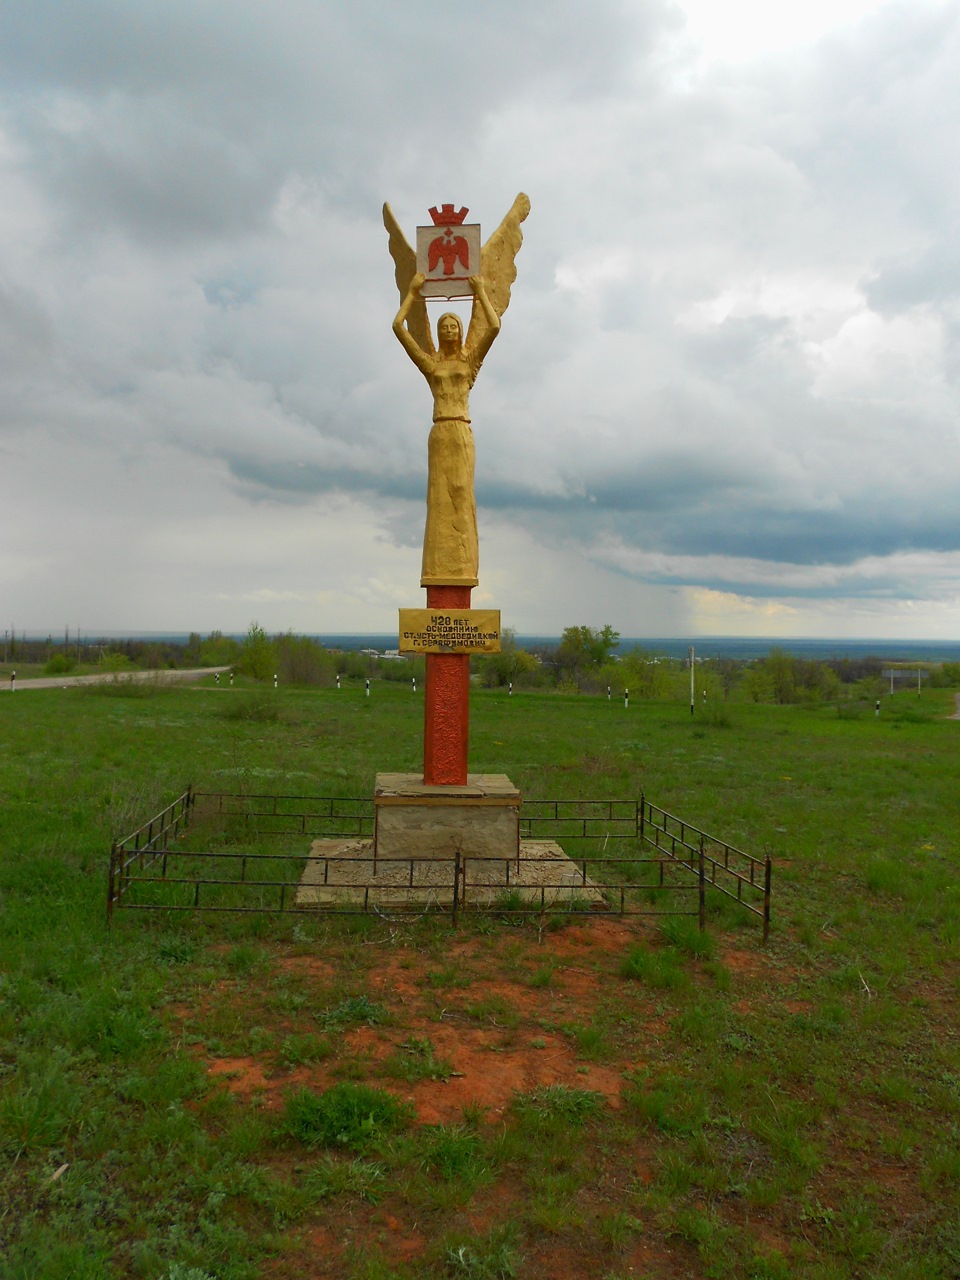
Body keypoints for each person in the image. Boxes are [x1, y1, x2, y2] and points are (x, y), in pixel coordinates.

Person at [392, 273, 499, 587]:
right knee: (438, 499)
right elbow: (399, 328)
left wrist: (480, 291)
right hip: (440, 432)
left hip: (461, 431)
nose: (449, 330)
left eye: (453, 326)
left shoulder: (470, 363)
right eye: (444, 327)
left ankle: (463, 565)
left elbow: (493, 327)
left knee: (461, 495)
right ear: (439, 333)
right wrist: (412, 293)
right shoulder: (432, 365)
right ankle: (438, 565)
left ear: (461, 330)